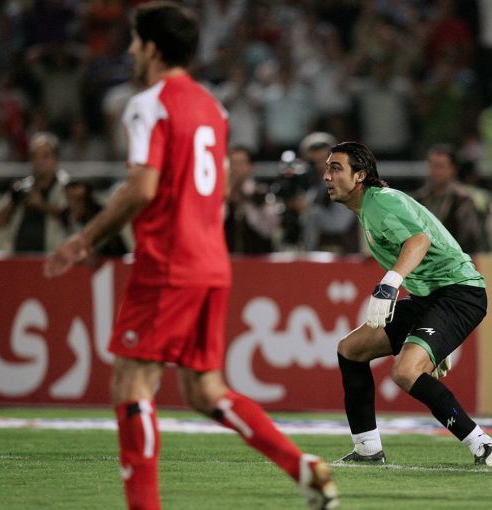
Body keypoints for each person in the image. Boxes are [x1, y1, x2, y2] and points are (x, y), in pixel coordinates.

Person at [43, 3, 338, 509]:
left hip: (169, 261)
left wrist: (84, 239)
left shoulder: (148, 104)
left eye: (136, 41)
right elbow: (216, 185)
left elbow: (142, 186)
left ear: (152, 47)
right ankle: (302, 467)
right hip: (210, 261)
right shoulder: (212, 106)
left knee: (132, 380)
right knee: (205, 391)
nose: (131, 50)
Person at [324, 141, 492, 466]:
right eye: (327, 169)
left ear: (360, 175)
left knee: (406, 372)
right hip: (431, 298)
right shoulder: (371, 206)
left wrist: (390, 283)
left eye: (336, 168)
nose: (326, 176)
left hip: (459, 293)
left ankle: (484, 446)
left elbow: (419, 240)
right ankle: (367, 449)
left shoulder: (382, 201)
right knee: (350, 350)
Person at [0, 131, 69, 253]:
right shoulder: (22, 188)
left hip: (52, 257)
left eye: (45, 156)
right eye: (34, 156)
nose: (39, 161)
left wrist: (42, 206)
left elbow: (73, 219)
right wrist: (13, 200)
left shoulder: (67, 187)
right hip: (18, 258)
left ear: (55, 159)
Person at [413, 144, 483, 254]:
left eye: (440, 166)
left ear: (453, 169)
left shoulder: (462, 199)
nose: (436, 171)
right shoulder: (420, 198)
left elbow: (470, 238)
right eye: (432, 166)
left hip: (454, 258)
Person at [300, 132, 361, 254]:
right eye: (313, 162)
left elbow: (338, 224)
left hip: (344, 257)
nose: (320, 166)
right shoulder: (314, 186)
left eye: (324, 160)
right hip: (318, 257)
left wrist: (307, 209)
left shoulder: (346, 184)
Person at [224, 146, 279, 254]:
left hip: (256, 255)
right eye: (232, 163)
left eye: (240, 163)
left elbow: (269, 230)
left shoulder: (261, 192)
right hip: (228, 255)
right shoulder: (221, 195)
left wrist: (246, 202)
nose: (236, 168)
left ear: (250, 167)